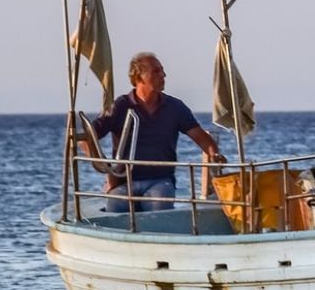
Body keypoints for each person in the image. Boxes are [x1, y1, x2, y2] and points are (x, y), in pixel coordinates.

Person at [86, 52, 225, 212]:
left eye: (162, 70)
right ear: (139, 77)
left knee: (159, 209)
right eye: (156, 71)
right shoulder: (120, 106)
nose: (163, 75)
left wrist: (215, 156)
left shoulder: (175, 107)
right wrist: (103, 166)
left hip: (160, 180)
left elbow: (202, 138)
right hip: (124, 181)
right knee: (114, 209)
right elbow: (88, 136)